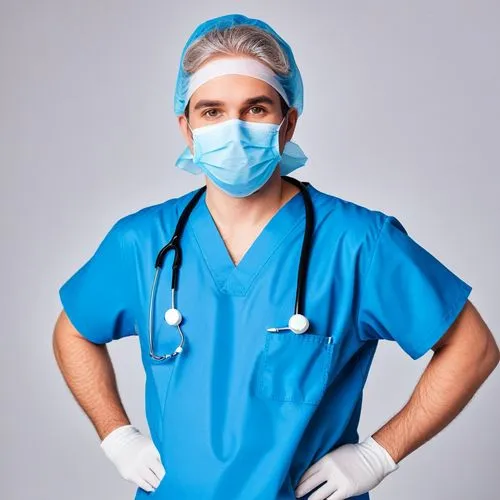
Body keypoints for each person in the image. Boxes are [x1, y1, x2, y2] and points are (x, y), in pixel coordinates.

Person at [52, 13, 499, 500]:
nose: (234, 129)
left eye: (256, 109)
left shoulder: (358, 244)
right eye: (212, 111)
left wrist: (378, 454)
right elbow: (73, 330)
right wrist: (117, 436)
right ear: (187, 129)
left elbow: (472, 347)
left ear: (287, 124)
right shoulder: (142, 242)